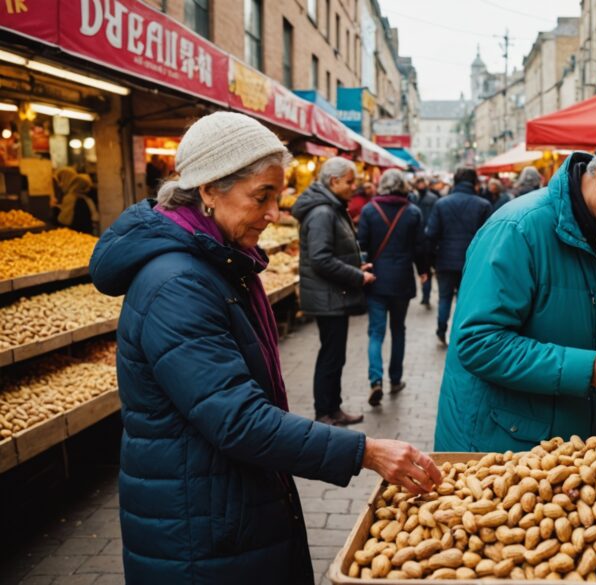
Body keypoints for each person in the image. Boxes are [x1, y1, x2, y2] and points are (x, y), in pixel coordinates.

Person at [88, 112, 440, 583]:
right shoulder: (177, 283)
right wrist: (365, 452)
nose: (274, 213)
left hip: (223, 508)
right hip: (200, 531)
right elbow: (238, 419)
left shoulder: (213, 263)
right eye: (262, 196)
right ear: (209, 189)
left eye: (276, 196)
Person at [433, 123, 596, 453]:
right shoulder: (517, 229)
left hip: (576, 451)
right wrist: (590, 370)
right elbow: (478, 343)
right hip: (500, 449)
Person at [292, 156, 372, 427]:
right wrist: (358, 276)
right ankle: (324, 412)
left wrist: (357, 264)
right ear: (333, 181)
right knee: (331, 355)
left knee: (335, 354)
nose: (354, 187)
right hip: (328, 297)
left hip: (333, 295)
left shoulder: (330, 208)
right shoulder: (323, 212)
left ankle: (333, 408)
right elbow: (321, 258)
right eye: (350, 182)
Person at [357, 170, 429, 406]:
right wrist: (423, 271)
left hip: (376, 279)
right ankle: (395, 379)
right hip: (401, 280)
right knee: (398, 330)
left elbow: (362, 245)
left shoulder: (369, 210)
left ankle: (375, 380)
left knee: (376, 332)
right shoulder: (413, 212)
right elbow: (420, 247)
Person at [425, 167, 492, 346]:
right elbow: (489, 238)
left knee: (445, 297)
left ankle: (441, 328)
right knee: (466, 299)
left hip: (445, 260)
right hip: (472, 262)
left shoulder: (441, 204)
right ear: (474, 183)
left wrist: (430, 261)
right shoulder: (483, 205)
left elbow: (431, 235)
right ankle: (460, 334)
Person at [409, 176, 439, 308]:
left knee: (425, 269)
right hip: (421, 237)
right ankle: (425, 295)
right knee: (424, 268)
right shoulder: (413, 198)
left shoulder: (430, 198)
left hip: (426, 238)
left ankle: (426, 296)